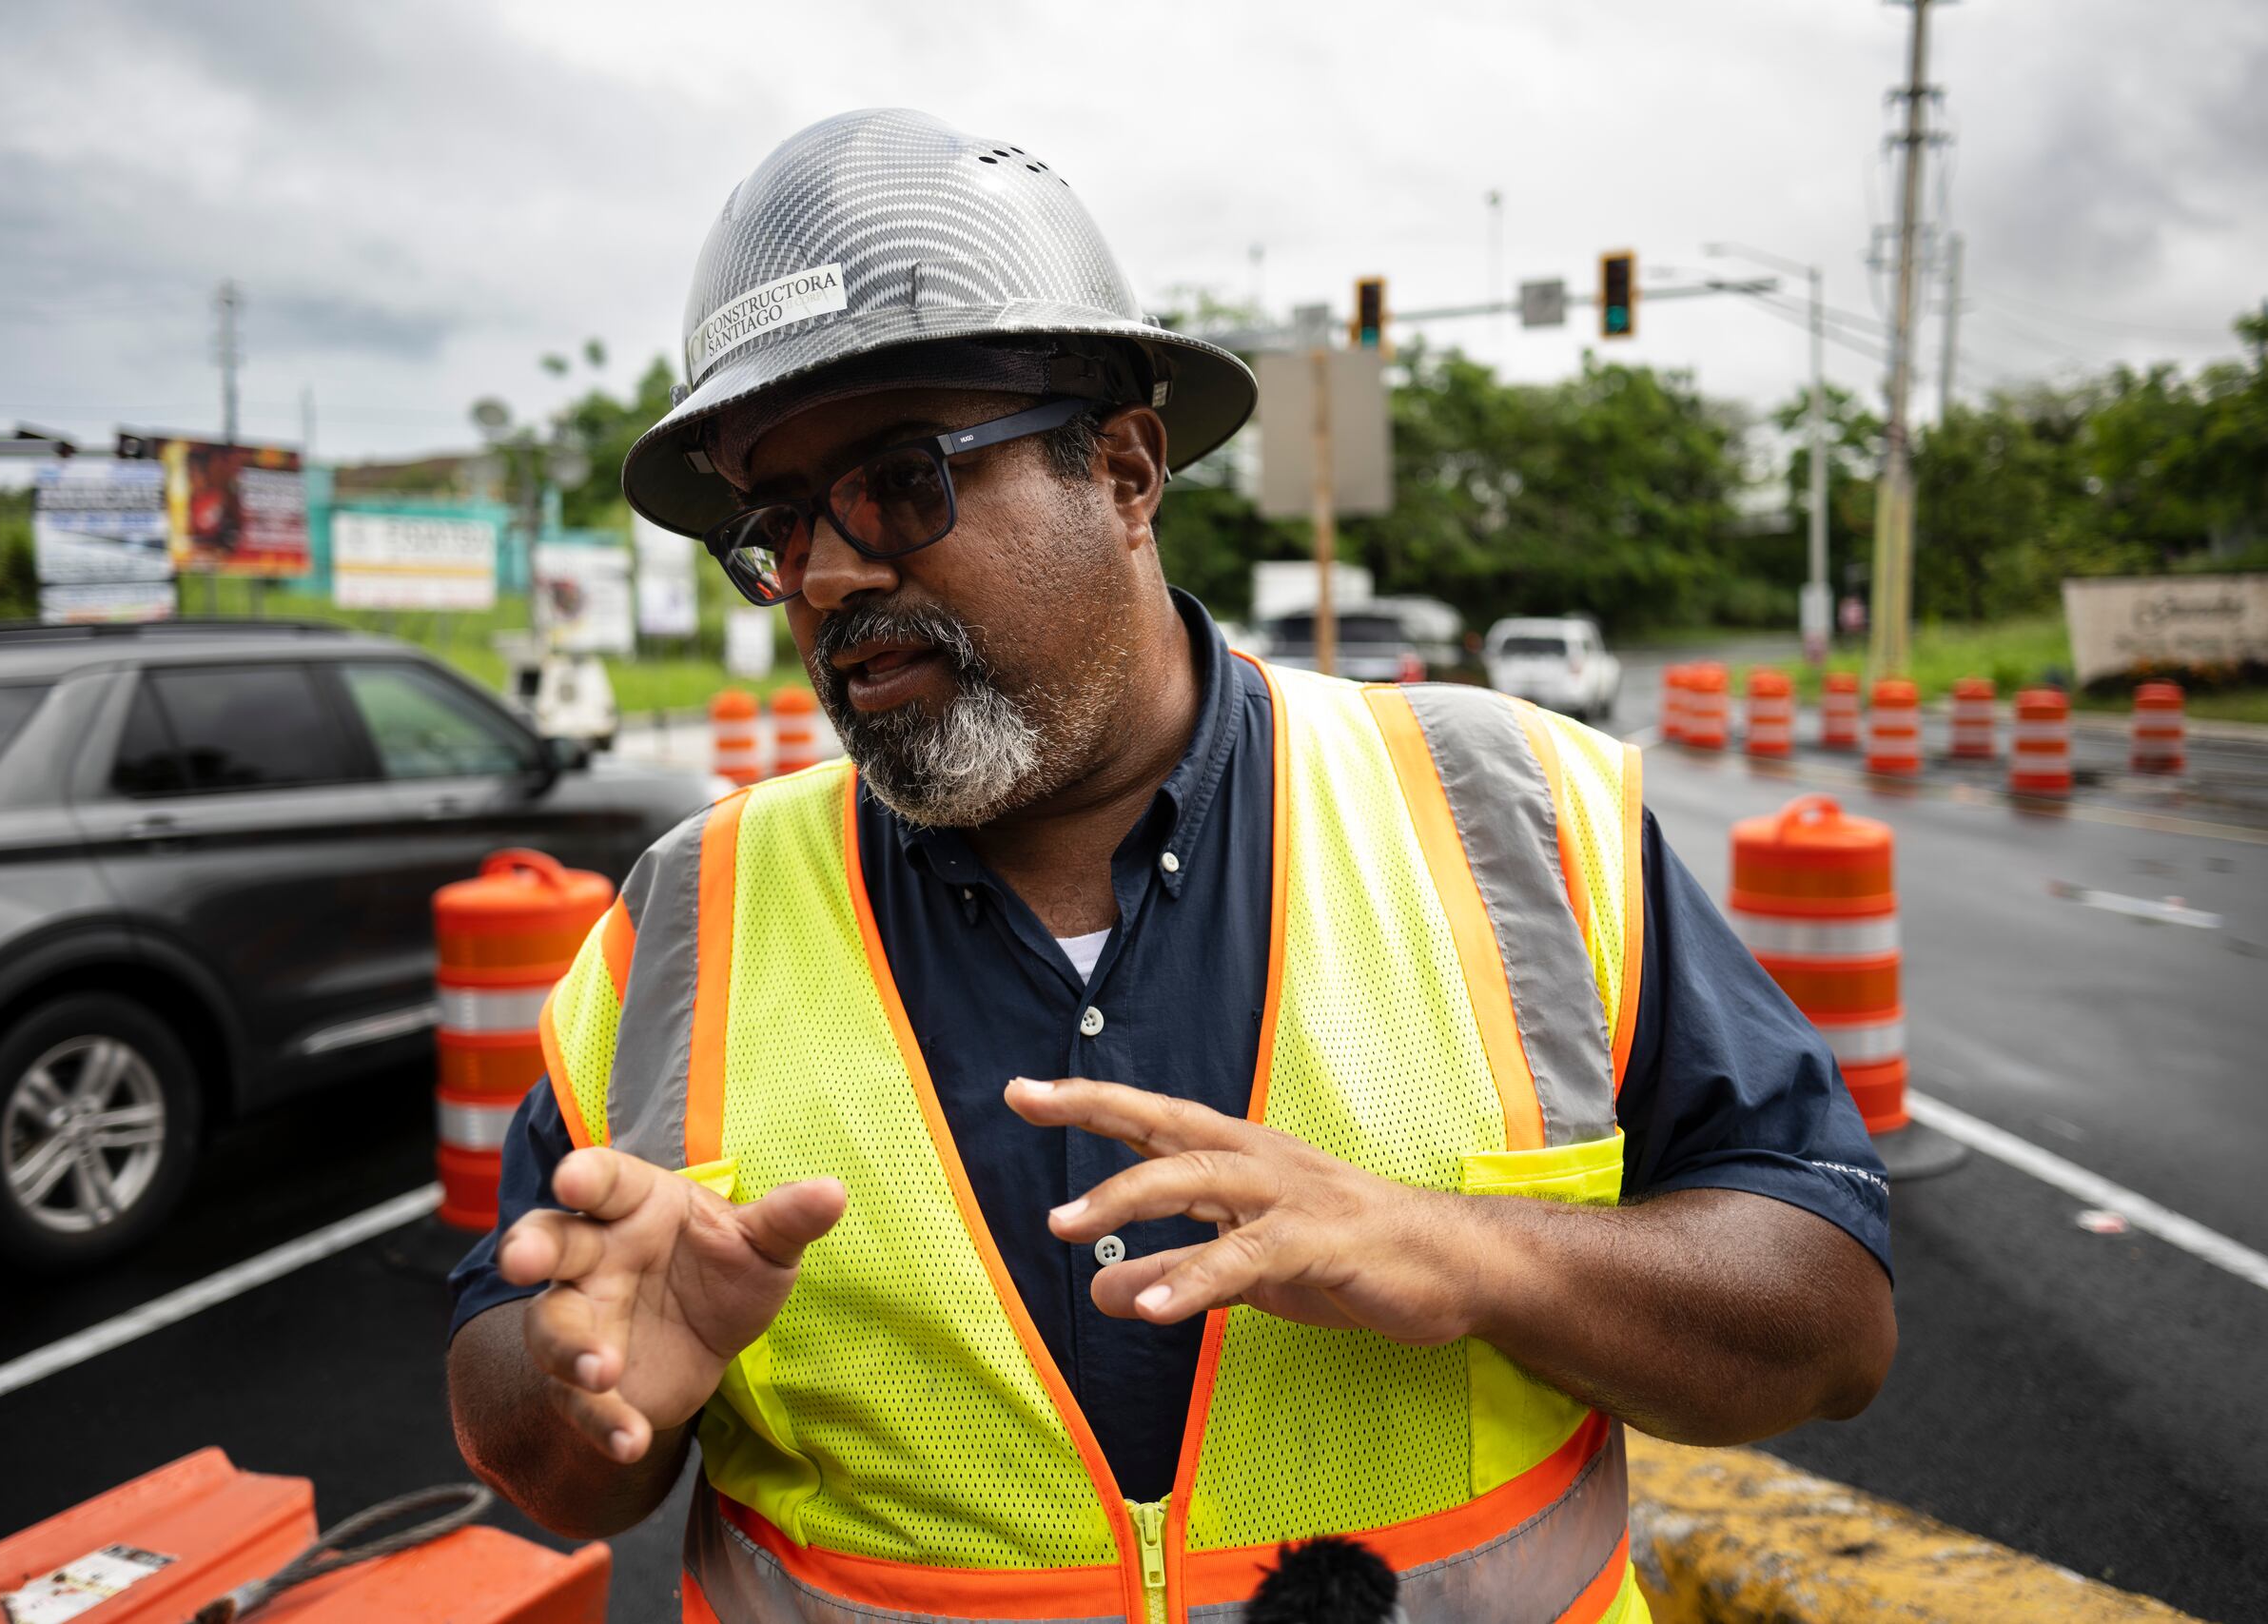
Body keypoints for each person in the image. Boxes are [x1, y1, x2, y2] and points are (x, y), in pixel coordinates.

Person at [447, 108, 1895, 1624]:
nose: (822, 575)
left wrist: (1474, 1253)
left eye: (897, 482)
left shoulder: (1510, 811)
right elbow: (528, 1432)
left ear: (1127, 472)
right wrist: (586, 1380)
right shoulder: (688, 918)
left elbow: (1828, 1322)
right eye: (777, 520)